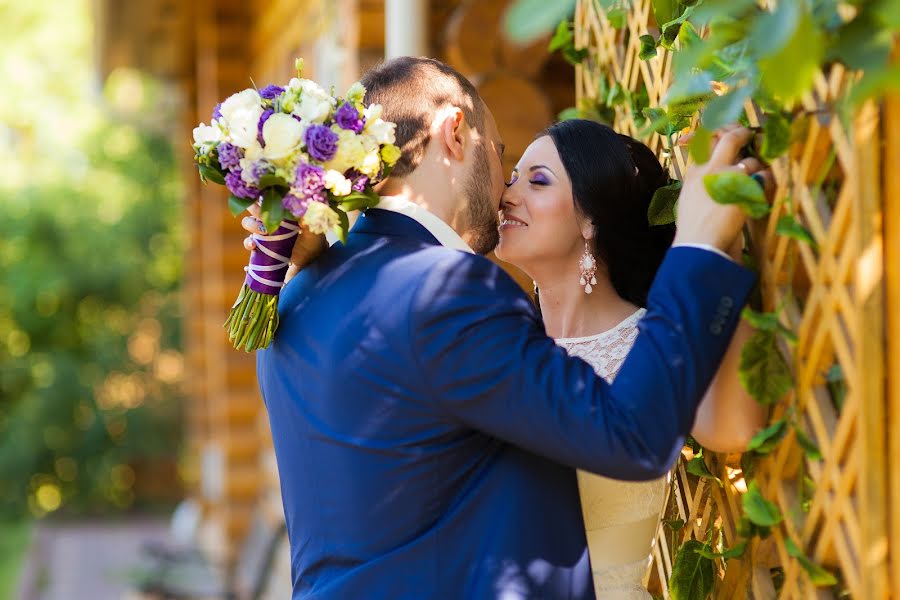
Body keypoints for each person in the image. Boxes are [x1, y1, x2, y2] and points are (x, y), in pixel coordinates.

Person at [243, 56, 769, 599]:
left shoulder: (297, 293)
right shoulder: (445, 290)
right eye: (500, 155)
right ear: (454, 132)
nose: (504, 190)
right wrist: (700, 245)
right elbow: (630, 435)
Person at [494, 119, 767, 598]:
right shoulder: (498, 341)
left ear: (590, 220)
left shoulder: (655, 338)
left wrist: (718, 244)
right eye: (513, 178)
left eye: (537, 181)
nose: (508, 195)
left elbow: (733, 430)